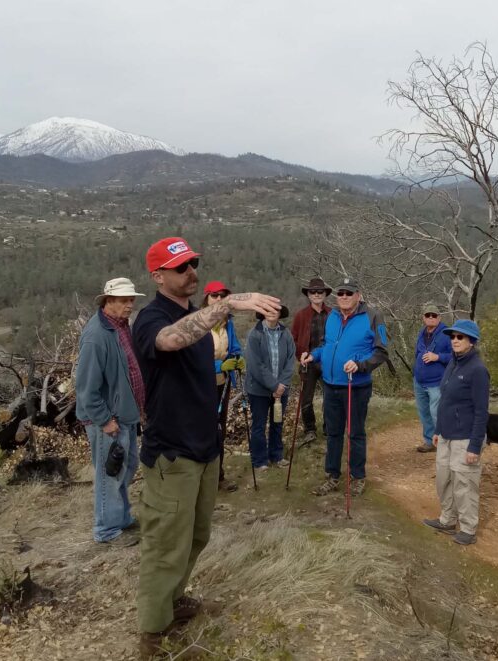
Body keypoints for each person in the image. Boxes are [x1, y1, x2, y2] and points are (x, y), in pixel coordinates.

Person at [131, 237, 279, 656]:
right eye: (181, 268)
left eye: (194, 264)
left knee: (196, 535)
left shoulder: (197, 316)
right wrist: (227, 306)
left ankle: (174, 602)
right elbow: (169, 341)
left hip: (204, 448)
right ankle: (152, 635)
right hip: (171, 453)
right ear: (158, 275)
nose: (191, 272)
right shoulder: (150, 318)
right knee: (165, 546)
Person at [300, 277, 389, 497]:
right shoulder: (332, 316)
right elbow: (326, 345)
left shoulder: (373, 316)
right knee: (333, 433)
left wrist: (360, 365)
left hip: (355, 387)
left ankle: (357, 477)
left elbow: (381, 351)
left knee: (356, 433)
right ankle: (332, 475)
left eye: (349, 293)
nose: (344, 297)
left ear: (358, 295)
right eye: (341, 293)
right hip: (330, 385)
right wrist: (313, 355)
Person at [75, 277, 145, 547]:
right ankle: (106, 530)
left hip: (126, 415)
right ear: (108, 302)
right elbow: (86, 387)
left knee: (127, 466)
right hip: (108, 419)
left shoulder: (120, 328)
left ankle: (122, 518)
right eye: (124, 300)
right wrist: (105, 420)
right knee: (110, 474)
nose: (130, 305)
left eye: (131, 300)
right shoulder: (96, 336)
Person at [422, 320, 489, 545]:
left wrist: (475, 446)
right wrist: (438, 430)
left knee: (464, 484)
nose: (455, 341)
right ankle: (447, 520)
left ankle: (468, 529)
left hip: (466, 437)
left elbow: (481, 411)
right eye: (453, 337)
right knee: (444, 480)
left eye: (461, 337)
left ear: (472, 341)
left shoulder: (478, 370)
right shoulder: (453, 363)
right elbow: (446, 400)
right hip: (446, 434)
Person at [201, 280, 244, 493]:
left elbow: (234, 347)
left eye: (222, 296)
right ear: (206, 298)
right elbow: (195, 359)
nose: (218, 299)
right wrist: (219, 364)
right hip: (201, 386)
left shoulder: (228, 322)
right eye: (214, 295)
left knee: (219, 430)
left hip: (223, 384)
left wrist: (238, 358)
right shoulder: (198, 323)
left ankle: (218, 476)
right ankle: (202, 478)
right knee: (204, 431)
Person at [243, 304, 295, 473]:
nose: (272, 313)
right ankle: (259, 460)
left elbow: (290, 360)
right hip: (258, 390)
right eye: (268, 310)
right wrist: (274, 385)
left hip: (281, 389)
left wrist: (282, 384)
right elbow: (255, 365)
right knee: (259, 425)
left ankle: (276, 455)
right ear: (263, 313)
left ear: (280, 313)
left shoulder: (285, 333)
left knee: (277, 423)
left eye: (276, 310)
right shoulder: (254, 334)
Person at [290, 277, 332, 445]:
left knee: (330, 396)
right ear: (308, 294)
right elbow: (293, 339)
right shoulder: (301, 315)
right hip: (307, 362)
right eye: (313, 292)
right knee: (306, 398)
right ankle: (310, 430)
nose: (316, 294)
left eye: (319, 292)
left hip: (328, 361)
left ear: (325, 294)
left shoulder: (332, 314)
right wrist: (300, 355)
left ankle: (329, 428)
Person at [412, 303, 452, 453]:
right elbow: (417, 353)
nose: (430, 318)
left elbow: (454, 356)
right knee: (425, 414)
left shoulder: (447, 334)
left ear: (439, 318)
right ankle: (429, 441)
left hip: (436, 382)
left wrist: (437, 357)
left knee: (437, 413)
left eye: (433, 315)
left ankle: (444, 442)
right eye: (427, 315)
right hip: (419, 381)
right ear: (423, 317)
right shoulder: (422, 333)